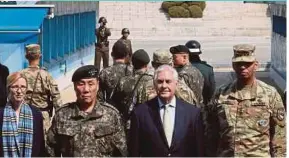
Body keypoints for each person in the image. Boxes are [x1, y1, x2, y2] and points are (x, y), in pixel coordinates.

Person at [205, 44, 286, 157]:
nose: (243, 67)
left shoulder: (269, 94)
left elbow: (280, 134)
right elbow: (210, 128)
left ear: (256, 65)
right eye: (238, 64)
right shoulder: (222, 93)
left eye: (247, 64)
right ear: (233, 66)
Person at [46, 65, 127, 157]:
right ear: (74, 86)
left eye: (91, 84)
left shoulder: (112, 115)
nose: (86, 90)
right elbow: (50, 151)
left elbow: (122, 152)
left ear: (97, 85)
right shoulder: (62, 115)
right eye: (81, 84)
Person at [128, 65, 204, 157]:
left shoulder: (192, 114)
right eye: (160, 82)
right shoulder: (140, 113)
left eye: (168, 81)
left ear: (176, 83)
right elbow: (134, 151)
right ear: (154, 84)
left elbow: (199, 150)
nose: (164, 86)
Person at [0, 72, 45, 157]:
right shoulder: (1, 114)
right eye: (15, 87)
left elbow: (41, 146)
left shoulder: (36, 114)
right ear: (8, 89)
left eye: (23, 87)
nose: (19, 91)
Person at [20, 44, 62, 133]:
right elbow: (56, 98)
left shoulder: (20, 75)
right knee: (43, 144)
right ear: (40, 56)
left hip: (24, 115)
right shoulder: (46, 75)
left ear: (26, 57)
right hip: (43, 116)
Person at [111, 49, 154, 128]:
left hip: (128, 124)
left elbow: (114, 102)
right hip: (146, 124)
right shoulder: (152, 81)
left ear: (133, 64)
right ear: (146, 65)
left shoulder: (123, 81)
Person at [98, 40, 133, 105]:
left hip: (110, 112)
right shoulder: (132, 71)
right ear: (126, 55)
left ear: (112, 54)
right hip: (129, 112)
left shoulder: (104, 73)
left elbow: (100, 99)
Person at [185, 40, 216, 105]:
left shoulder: (181, 68)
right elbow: (211, 89)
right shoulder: (207, 69)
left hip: (185, 105)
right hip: (202, 105)